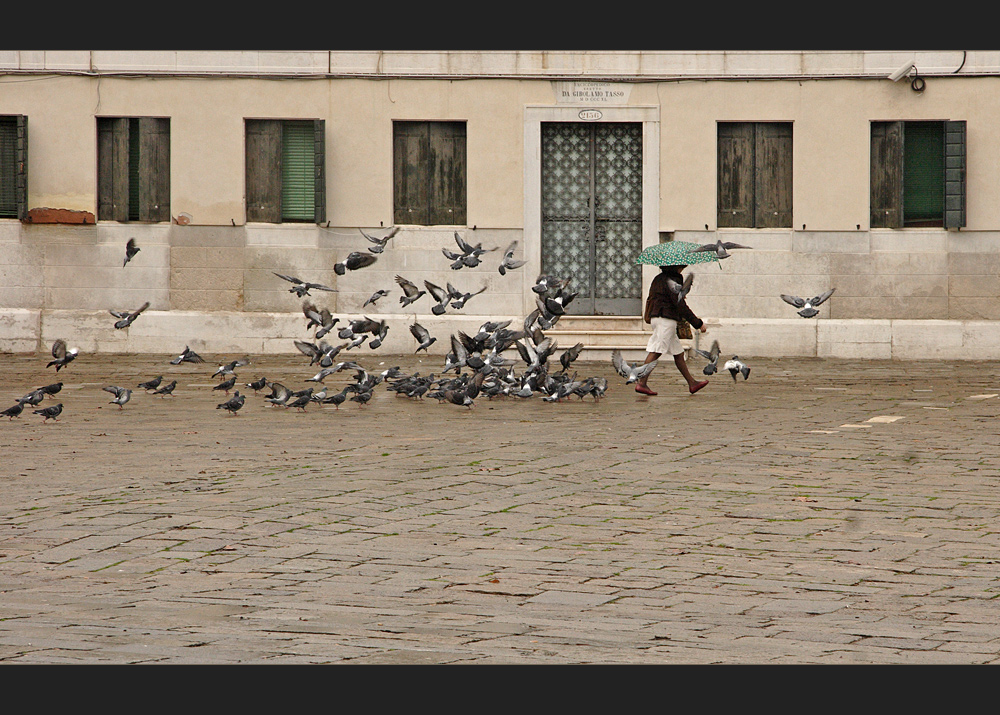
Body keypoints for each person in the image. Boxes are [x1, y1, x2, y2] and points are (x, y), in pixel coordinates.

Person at [636, 264, 709, 396]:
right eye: (681, 266)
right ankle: (641, 383)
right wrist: (697, 323)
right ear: (675, 267)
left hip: (657, 317)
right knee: (656, 350)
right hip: (666, 319)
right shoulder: (674, 279)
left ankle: (692, 383)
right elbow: (680, 305)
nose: (683, 269)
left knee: (678, 353)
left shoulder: (658, 278)